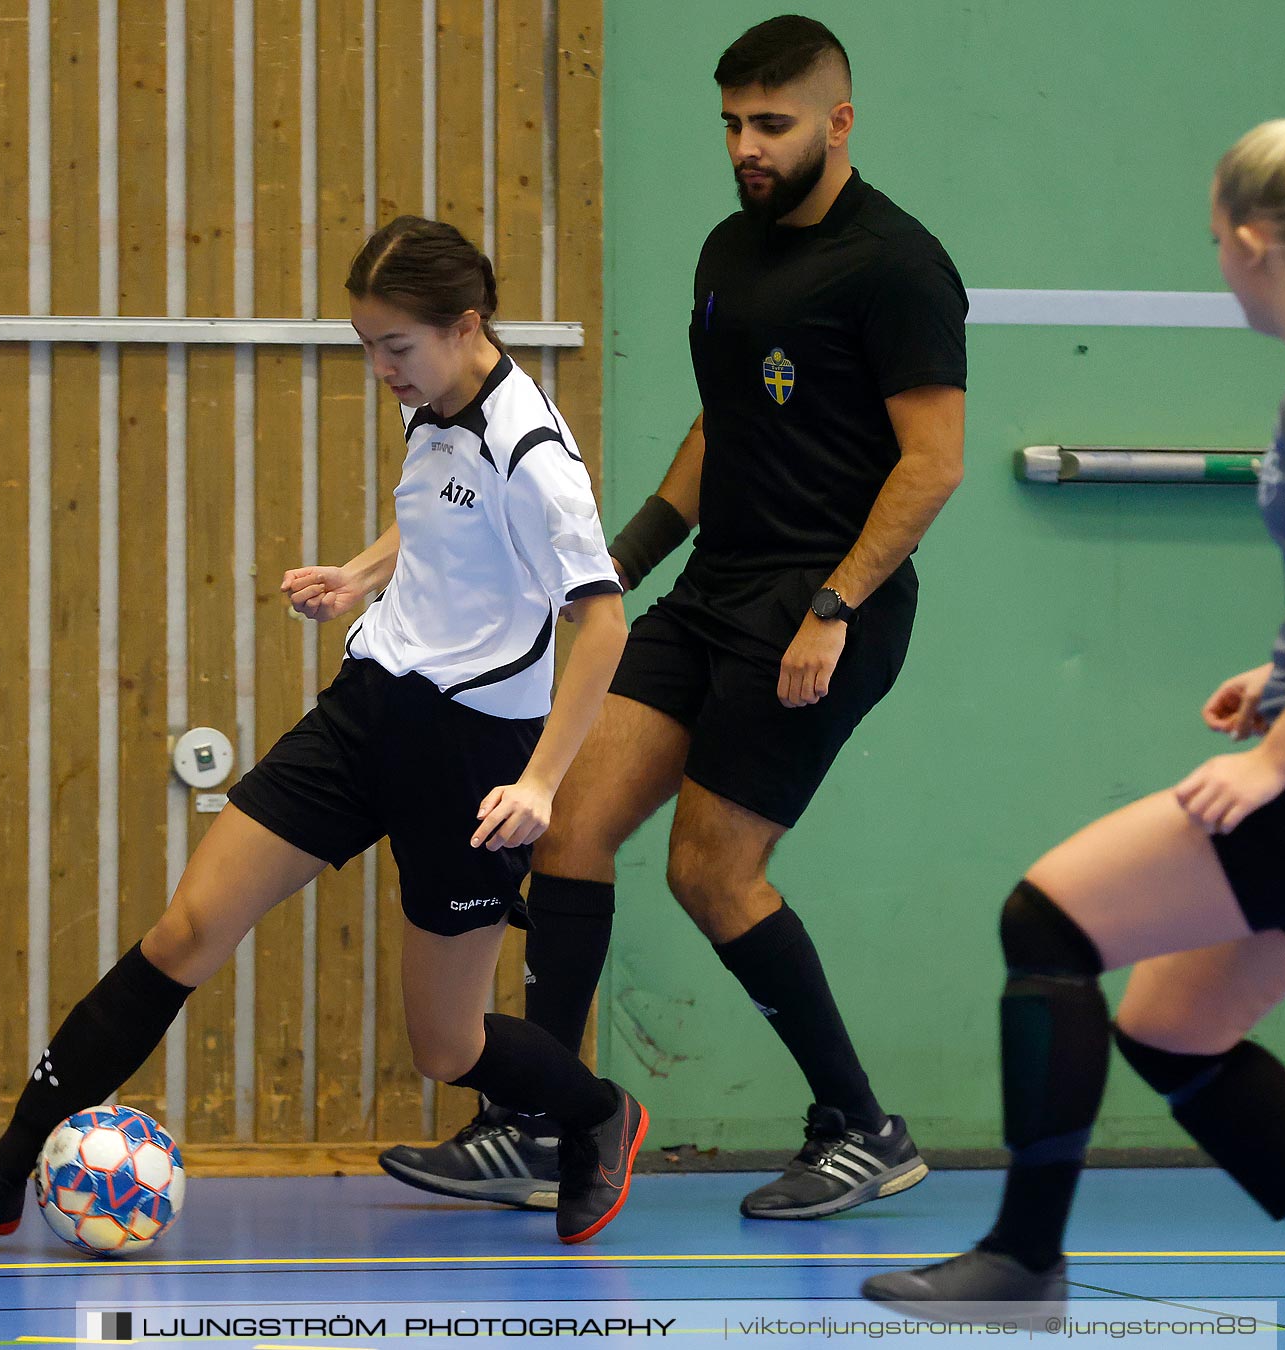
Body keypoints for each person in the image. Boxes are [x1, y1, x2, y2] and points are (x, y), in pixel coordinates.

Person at [862, 100, 1285, 1350]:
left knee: (1046, 919)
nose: (1216, 266)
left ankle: (1024, 1260)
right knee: (1172, 1023)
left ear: (1257, 241)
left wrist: (1274, 756)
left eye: (1214, 242)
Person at [0, 216, 646, 1251]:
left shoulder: (535, 451)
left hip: (473, 761)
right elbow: (438, 516)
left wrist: (545, 785)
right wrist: (362, 574)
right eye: (366, 346)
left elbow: (601, 622)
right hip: (367, 713)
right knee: (184, 932)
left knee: (447, 1044)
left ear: (466, 324)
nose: (380, 369)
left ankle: (599, 1114)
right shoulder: (434, 401)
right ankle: (0, 1173)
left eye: (396, 347)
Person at [380, 13, 968, 1221]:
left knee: (710, 870)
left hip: (821, 608)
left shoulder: (898, 266)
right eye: (732, 125)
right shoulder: (727, 251)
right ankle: (542, 1126)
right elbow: (719, 433)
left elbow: (933, 463)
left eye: (772, 124)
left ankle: (860, 1126)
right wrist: (609, 564)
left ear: (837, 122)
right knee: (565, 825)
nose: (747, 146)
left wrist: (831, 605)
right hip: (712, 597)